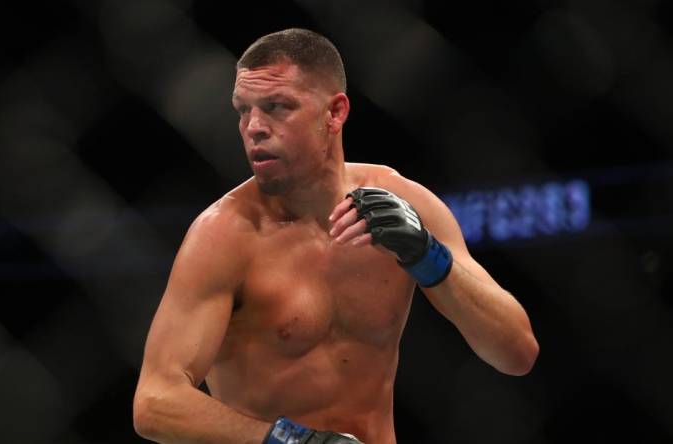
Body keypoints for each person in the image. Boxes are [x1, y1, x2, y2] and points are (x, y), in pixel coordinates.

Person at [132, 28, 539, 444]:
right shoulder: (224, 236)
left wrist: (429, 256)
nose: (253, 127)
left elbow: (517, 353)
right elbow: (155, 401)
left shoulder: (402, 200)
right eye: (243, 110)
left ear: (335, 112)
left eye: (276, 107)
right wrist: (293, 441)